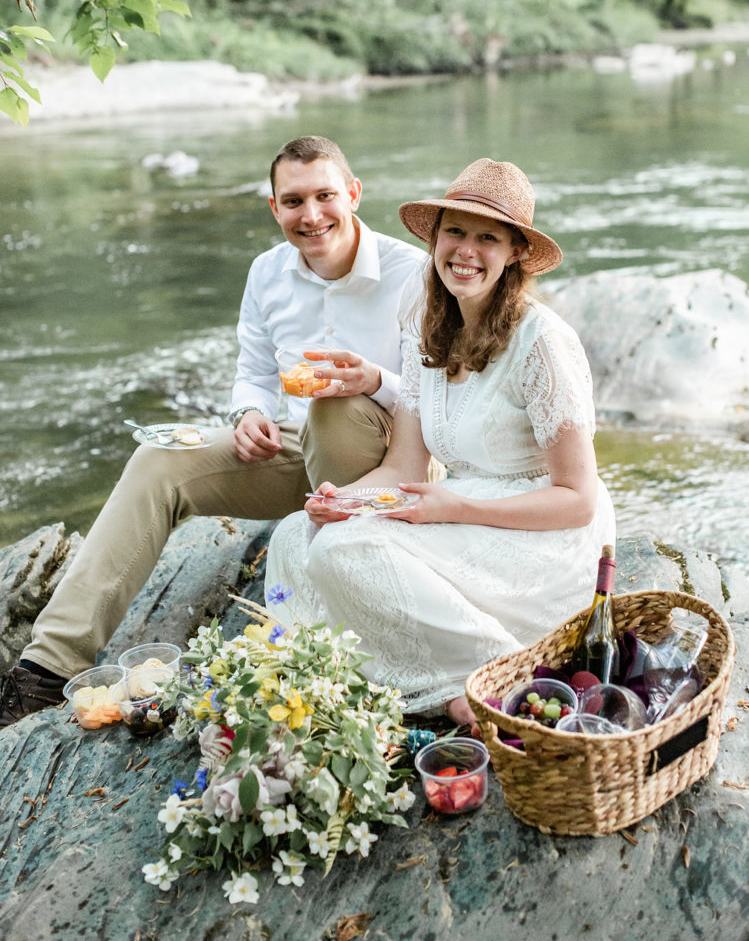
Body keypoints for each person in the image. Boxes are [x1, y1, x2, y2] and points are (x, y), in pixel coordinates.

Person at [0, 135, 426, 729]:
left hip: (383, 459)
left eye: (326, 196)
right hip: (295, 451)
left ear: (353, 194)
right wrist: (247, 415)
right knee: (158, 459)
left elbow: (444, 401)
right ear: (274, 208)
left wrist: (373, 379)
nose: (312, 216)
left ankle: (333, 570)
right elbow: (253, 374)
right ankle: (45, 670)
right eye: (294, 201)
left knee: (332, 408)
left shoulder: (414, 274)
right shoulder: (266, 272)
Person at [264, 158, 616, 728]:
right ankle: (327, 682)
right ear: (435, 237)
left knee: (341, 552)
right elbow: (404, 463)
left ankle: (492, 672)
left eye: (487, 238)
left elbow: (579, 499)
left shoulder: (544, 341)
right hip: (461, 509)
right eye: (455, 231)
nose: (465, 251)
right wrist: (341, 498)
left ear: (515, 253)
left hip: (543, 536)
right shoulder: (427, 322)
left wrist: (453, 506)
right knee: (296, 535)